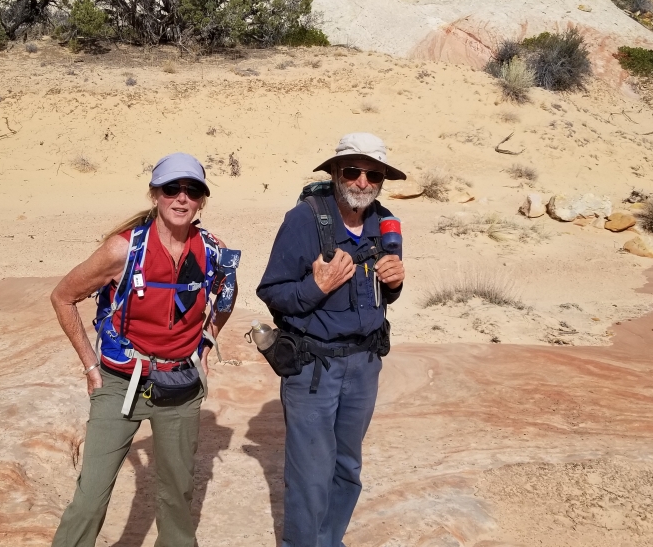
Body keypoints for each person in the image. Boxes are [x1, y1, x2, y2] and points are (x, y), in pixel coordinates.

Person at [49, 152, 239, 547]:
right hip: (120, 383)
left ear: (202, 200)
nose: (182, 199)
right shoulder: (122, 249)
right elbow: (63, 297)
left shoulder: (212, 249)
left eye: (193, 190)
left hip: (180, 384)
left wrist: (206, 342)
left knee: (177, 496)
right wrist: (89, 366)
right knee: (90, 497)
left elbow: (226, 295)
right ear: (155, 194)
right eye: (172, 189)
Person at [256, 133, 407, 547]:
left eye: (373, 174)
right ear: (337, 173)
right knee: (309, 474)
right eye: (353, 171)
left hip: (364, 365)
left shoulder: (385, 223)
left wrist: (394, 285)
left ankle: (329, 540)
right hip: (313, 370)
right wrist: (314, 289)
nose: (362, 182)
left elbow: (379, 291)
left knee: (347, 468)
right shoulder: (303, 220)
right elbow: (272, 292)